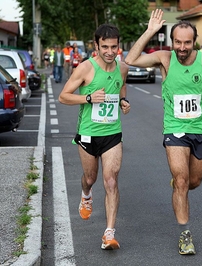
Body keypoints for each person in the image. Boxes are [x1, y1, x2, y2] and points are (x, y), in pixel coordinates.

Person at [125, 9, 202, 255]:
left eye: (187, 42)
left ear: (193, 42)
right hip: (175, 129)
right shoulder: (165, 58)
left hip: (201, 130)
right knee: (183, 181)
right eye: (178, 42)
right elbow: (130, 60)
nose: (182, 47)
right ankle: (185, 234)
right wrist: (150, 31)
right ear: (171, 41)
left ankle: (179, 186)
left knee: (193, 182)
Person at [58, 24, 130, 250]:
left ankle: (109, 233)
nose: (110, 51)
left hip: (112, 134)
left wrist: (123, 101)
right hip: (88, 134)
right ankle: (86, 194)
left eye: (114, 47)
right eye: (105, 47)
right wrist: (88, 98)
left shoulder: (122, 68)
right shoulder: (85, 69)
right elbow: (64, 97)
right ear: (96, 46)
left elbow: (121, 87)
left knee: (111, 180)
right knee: (91, 178)